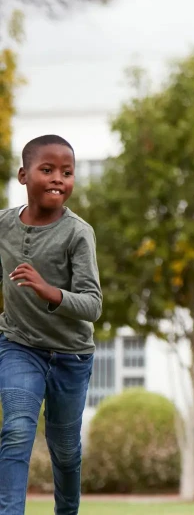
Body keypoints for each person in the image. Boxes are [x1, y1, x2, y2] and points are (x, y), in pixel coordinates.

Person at [0, 135, 103, 515]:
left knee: (64, 448)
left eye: (67, 172)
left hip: (70, 357)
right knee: (16, 430)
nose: (59, 178)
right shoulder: (4, 226)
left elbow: (93, 305)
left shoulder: (78, 233)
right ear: (24, 175)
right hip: (19, 345)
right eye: (48, 170)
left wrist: (48, 291)